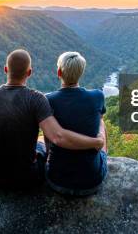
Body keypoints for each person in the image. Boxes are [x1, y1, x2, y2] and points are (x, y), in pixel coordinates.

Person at [0, 49, 104, 190]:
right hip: (26, 178)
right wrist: (96, 142)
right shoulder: (36, 99)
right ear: (29, 72)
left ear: (6, 69)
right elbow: (57, 136)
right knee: (40, 146)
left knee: (37, 144)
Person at [45, 52, 108, 196]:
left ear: (59, 72)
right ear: (82, 72)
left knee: (48, 127)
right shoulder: (97, 95)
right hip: (91, 181)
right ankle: (102, 155)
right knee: (101, 121)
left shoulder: (48, 100)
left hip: (57, 180)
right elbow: (98, 119)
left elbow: (50, 135)